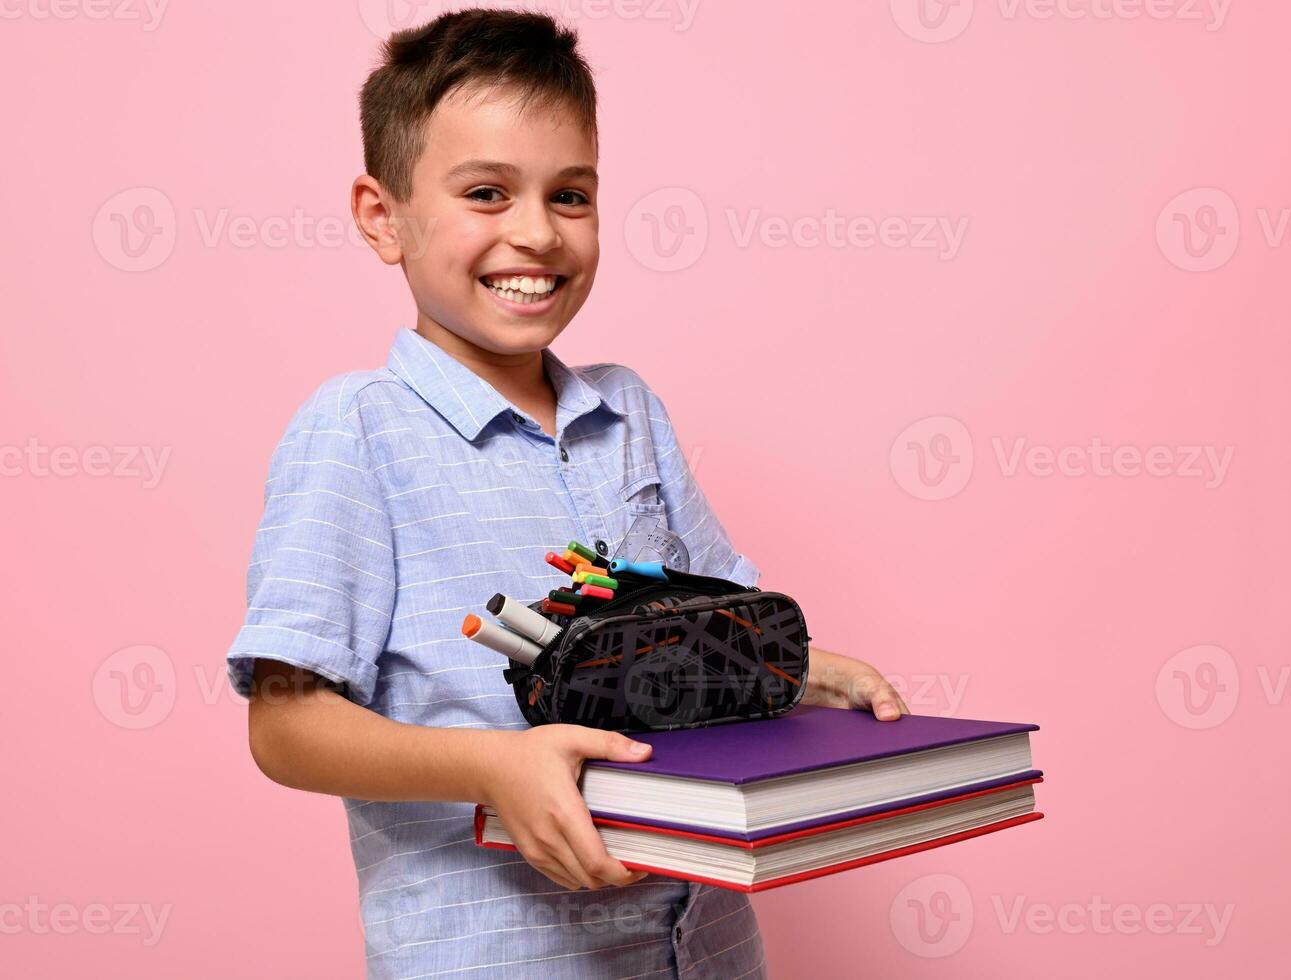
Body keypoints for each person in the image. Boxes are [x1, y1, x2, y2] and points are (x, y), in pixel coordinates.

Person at [227, 10, 908, 978]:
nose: (537, 233)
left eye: (572, 194)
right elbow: (284, 723)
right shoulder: (357, 431)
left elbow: (715, 622)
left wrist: (806, 669)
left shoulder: (629, 412)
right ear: (384, 216)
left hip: (701, 951)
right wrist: (492, 766)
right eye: (487, 193)